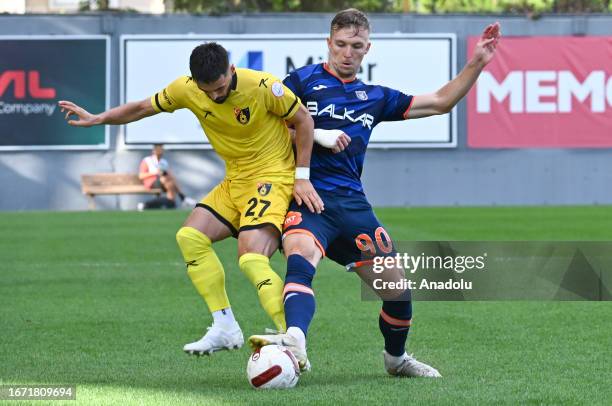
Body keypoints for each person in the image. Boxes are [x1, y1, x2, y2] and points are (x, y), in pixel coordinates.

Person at [249, 9, 501, 376]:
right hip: (307, 199)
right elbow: (265, 130)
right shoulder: (300, 82)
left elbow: (440, 103)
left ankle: (396, 360)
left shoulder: (375, 96)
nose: (347, 52)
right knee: (300, 255)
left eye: (356, 46)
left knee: (398, 292)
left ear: (368, 48)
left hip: (353, 207)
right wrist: (314, 135)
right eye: (340, 44)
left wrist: (477, 63)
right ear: (328, 43)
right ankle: (296, 339)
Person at [59, 42, 323, 356]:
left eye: (221, 88)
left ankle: (292, 341)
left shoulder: (263, 86)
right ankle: (225, 326)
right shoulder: (186, 89)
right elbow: (143, 107)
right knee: (190, 237)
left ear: (232, 70)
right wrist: (98, 118)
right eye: (207, 91)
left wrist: (302, 177)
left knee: (251, 257)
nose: (214, 96)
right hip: (235, 179)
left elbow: (305, 121)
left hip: (270, 176)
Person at [137, 143, 195, 210]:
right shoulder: (147, 160)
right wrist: (155, 173)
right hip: (151, 183)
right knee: (166, 180)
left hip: (165, 182)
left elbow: (169, 175)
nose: (160, 151)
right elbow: (141, 176)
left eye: (161, 149)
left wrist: (166, 174)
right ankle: (183, 198)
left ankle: (147, 205)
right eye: (158, 149)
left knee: (170, 184)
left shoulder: (163, 162)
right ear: (153, 150)